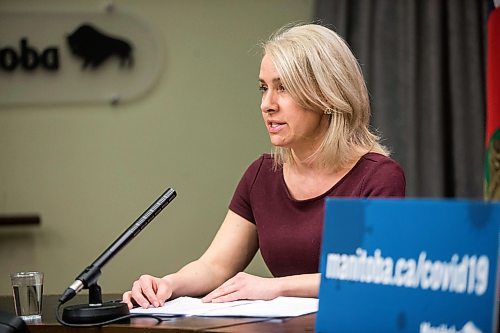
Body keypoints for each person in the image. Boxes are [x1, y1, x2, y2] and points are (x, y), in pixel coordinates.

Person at [122, 23, 405, 309]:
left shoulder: (378, 176)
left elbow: (370, 277)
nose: (267, 105)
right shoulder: (261, 175)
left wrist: (276, 287)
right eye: (263, 88)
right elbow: (215, 265)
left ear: (327, 96)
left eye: (284, 88)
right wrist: (168, 284)